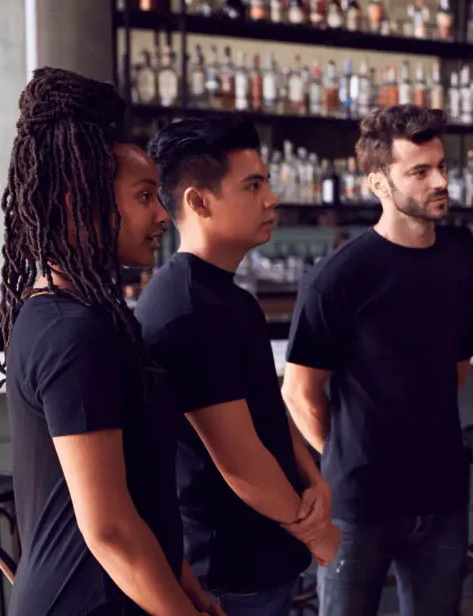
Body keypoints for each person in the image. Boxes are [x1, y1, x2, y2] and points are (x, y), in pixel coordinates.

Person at [0, 67, 219, 615]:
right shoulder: (72, 333)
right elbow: (111, 530)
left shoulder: (85, 317)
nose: (162, 216)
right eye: (145, 196)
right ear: (80, 200)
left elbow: (140, 497)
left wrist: (188, 588)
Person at [281, 104, 473, 615]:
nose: (439, 180)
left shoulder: (461, 258)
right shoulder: (339, 277)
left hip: (440, 497)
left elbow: (455, 364)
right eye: (419, 171)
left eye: (441, 166)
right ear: (378, 182)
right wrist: (350, 455)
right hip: (359, 505)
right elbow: (298, 391)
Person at [137, 118, 338, 615]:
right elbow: (239, 460)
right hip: (225, 567)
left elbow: (267, 411)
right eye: (253, 185)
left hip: (266, 552)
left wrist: (314, 479)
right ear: (198, 201)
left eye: (266, 181)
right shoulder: (187, 309)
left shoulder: (228, 297)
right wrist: (315, 531)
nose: (271, 198)